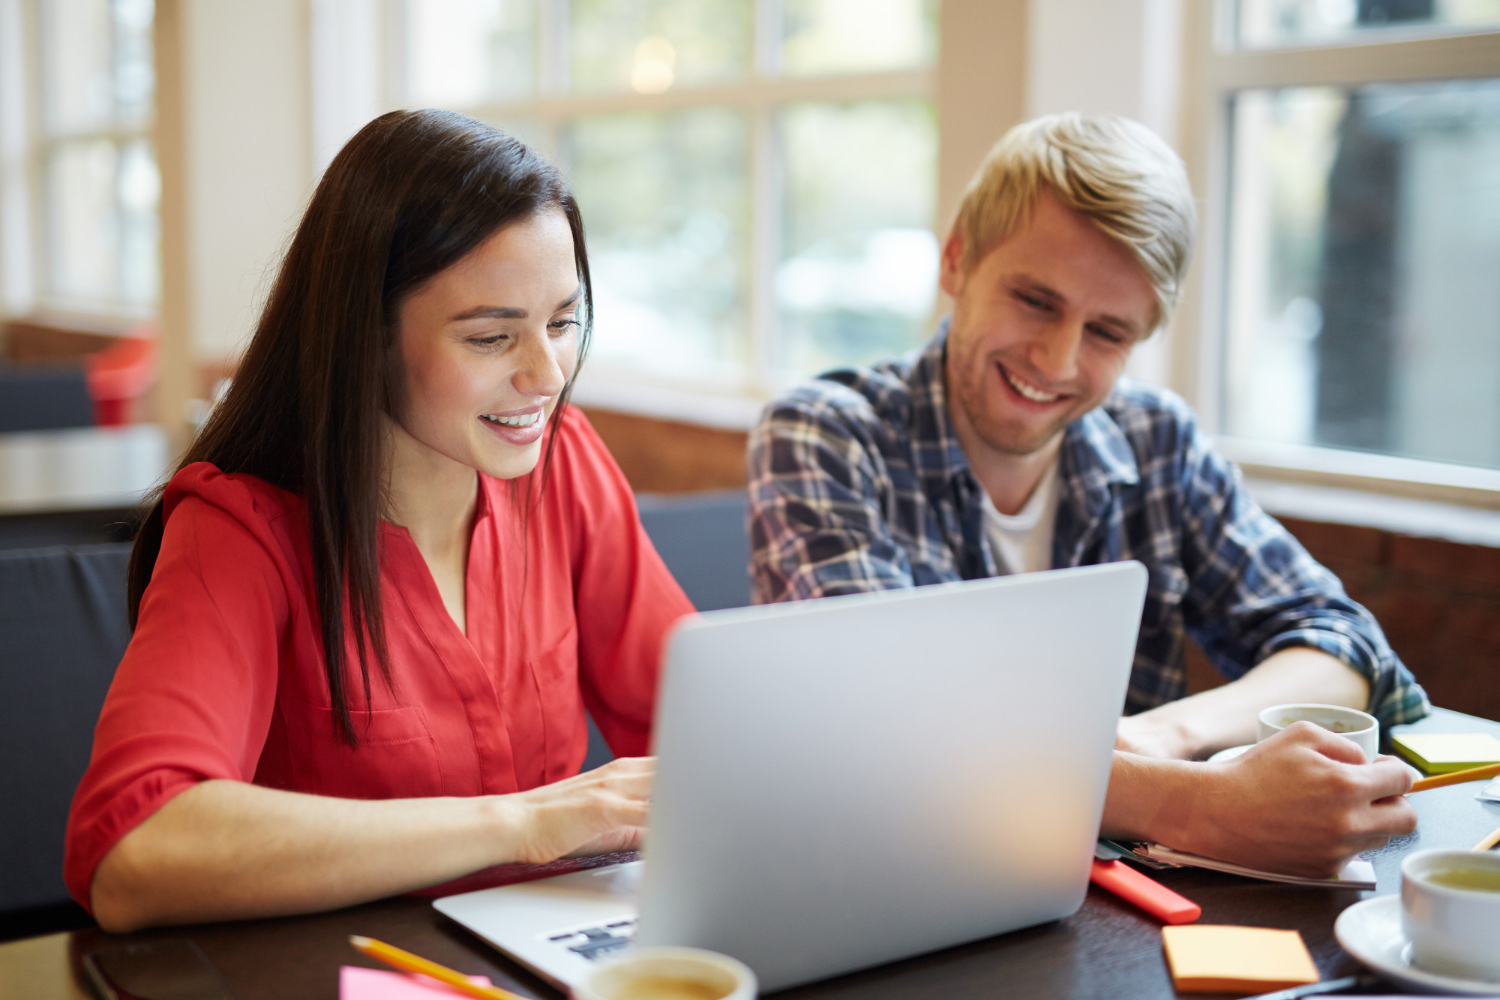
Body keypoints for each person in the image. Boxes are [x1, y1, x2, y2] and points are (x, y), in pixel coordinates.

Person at [747, 113, 1426, 878]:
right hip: (900, 883)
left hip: (1122, 908)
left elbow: (1344, 643)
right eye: (1036, 300)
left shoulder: (1154, 439)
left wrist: (1159, 740)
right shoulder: (826, 434)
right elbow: (894, 737)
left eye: (1107, 332)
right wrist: (1199, 804)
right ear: (958, 257)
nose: (1057, 358)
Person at [64, 110, 695, 933]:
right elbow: (131, 851)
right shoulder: (241, 530)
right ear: (366, 336)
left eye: (563, 322)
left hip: (550, 949)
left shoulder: (564, 463)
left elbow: (696, 726)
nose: (547, 373)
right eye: (491, 336)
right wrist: (526, 821)